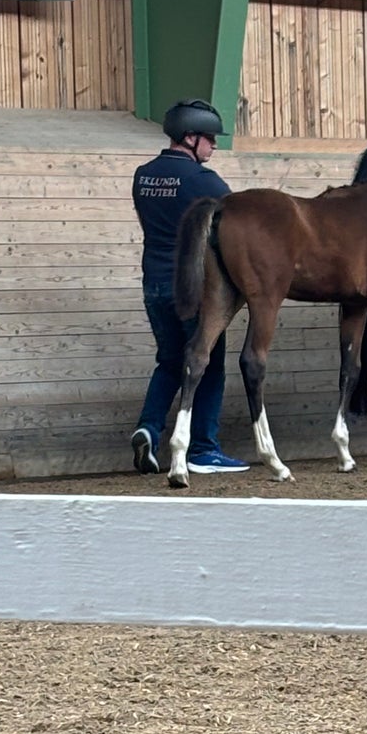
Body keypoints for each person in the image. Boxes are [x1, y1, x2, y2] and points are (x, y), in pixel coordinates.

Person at [130, 99, 248, 475]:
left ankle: (148, 429)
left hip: (153, 283)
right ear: (190, 137)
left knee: (169, 361)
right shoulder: (204, 181)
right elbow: (238, 224)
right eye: (210, 138)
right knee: (207, 365)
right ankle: (203, 449)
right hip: (194, 287)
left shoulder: (143, 175)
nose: (214, 145)